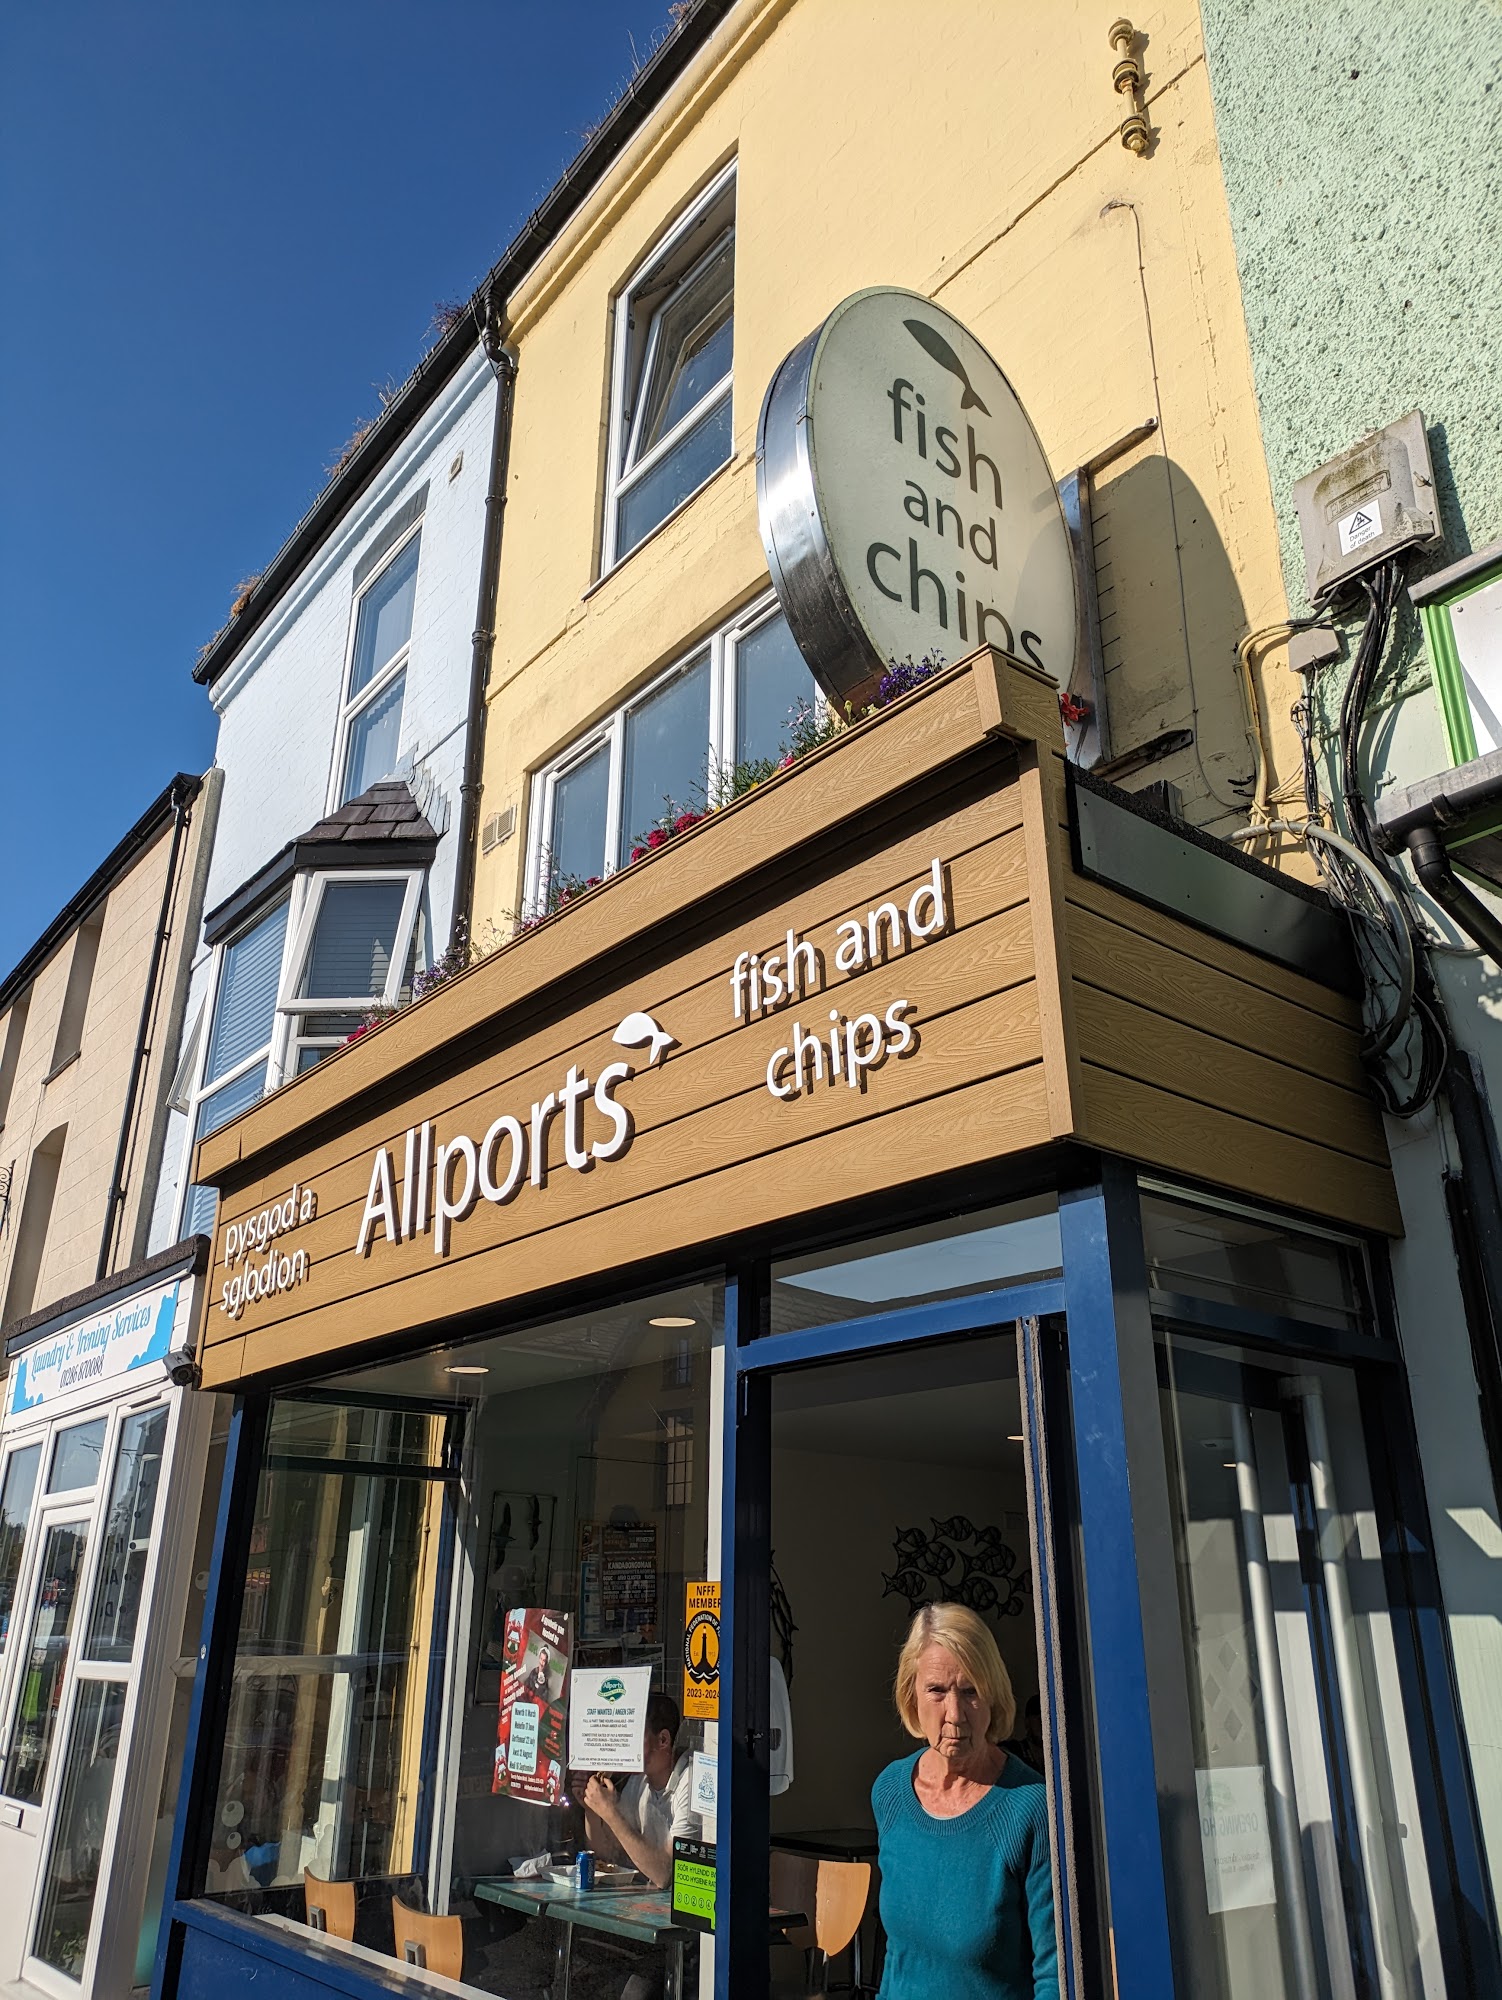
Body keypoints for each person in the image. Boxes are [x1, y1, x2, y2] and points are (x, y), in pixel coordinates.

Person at [872, 1604, 1057, 2000]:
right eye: (936, 1691)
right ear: (911, 1696)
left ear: (993, 1696)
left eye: (971, 1691)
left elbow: (1055, 1973)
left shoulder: (1031, 1809)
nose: (954, 1714)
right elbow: (899, 1956)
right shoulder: (889, 1791)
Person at [581, 1693, 700, 2000]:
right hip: (647, 1920)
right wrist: (592, 1809)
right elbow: (608, 1853)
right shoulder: (641, 1784)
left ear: (663, 1740)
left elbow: (664, 1873)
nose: (626, 1745)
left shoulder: (691, 1781)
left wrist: (610, 1812)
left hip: (689, 1934)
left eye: (634, 1735)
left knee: (633, 1991)